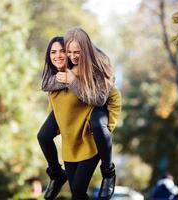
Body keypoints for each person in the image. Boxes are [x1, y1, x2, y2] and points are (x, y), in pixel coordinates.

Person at [38, 28, 121, 199]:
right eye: (69, 51)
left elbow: (100, 98)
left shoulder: (98, 62)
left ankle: (108, 171)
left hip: (98, 108)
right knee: (43, 136)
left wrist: (73, 81)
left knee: (98, 125)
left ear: (85, 49)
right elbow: (47, 84)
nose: (70, 55)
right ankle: (56, 174)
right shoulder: (66, 66)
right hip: (72, 132)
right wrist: (68, 78)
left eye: (76, 52)